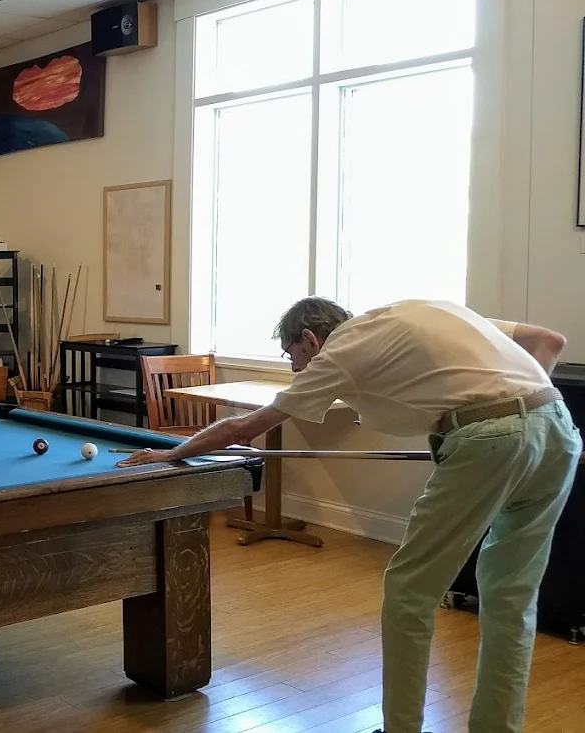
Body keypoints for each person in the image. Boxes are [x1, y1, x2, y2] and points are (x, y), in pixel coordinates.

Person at [117, 297, 580, 733]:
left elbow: (246, 426)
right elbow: (548, 342)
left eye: (292, 354)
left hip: (486, 441)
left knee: (409, 591)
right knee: (511, 597)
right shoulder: (425, 310)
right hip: (558, 429)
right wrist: (526, 420)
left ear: (311, 338)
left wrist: (169, 453)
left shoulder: (340, 352)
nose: (296, 366)